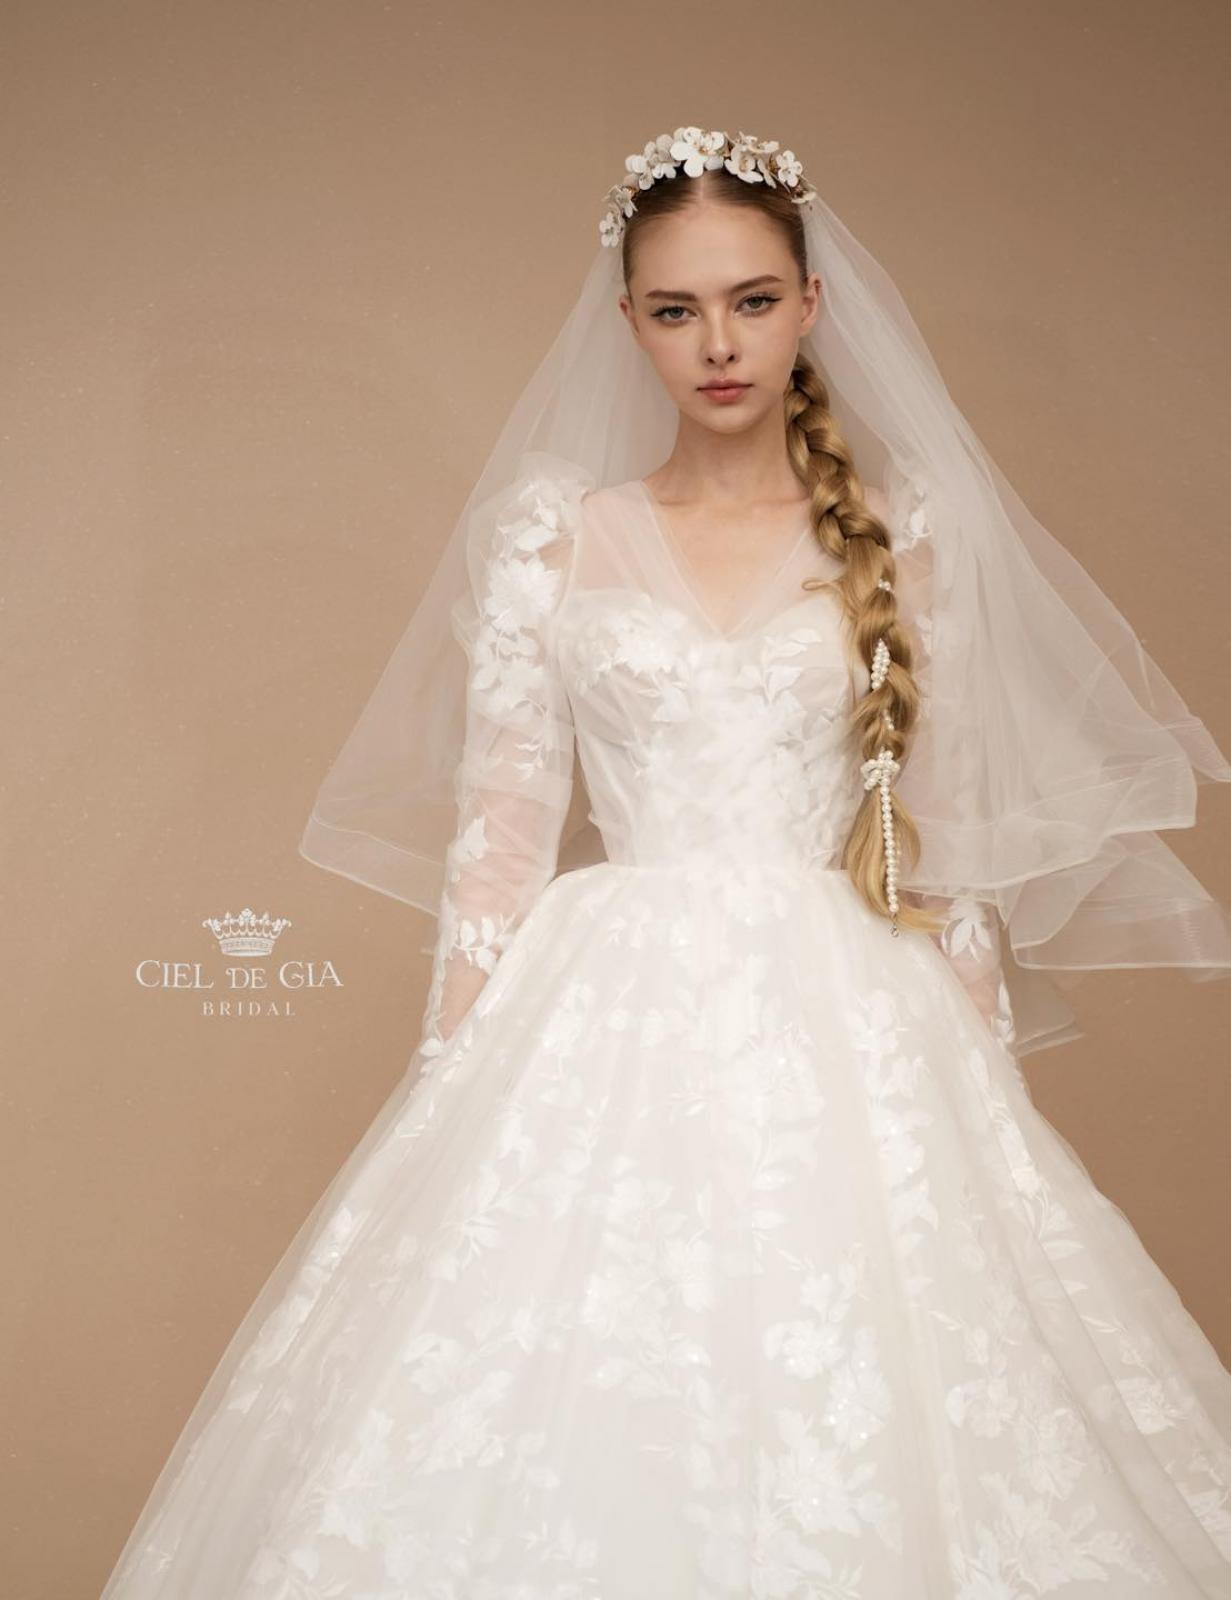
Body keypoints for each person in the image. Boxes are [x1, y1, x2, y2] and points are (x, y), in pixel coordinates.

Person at [101, 126, 1231, 1598]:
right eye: (679, 309)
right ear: (628, 320)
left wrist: (981, 1089)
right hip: (602, 1014)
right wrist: (447, 1089)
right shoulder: (555, 541)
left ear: (812, 305)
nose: (720, 344)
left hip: (854, 1016)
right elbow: (500, 842)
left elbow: (940, 847)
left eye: (753, 301)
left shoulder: (907, 540)